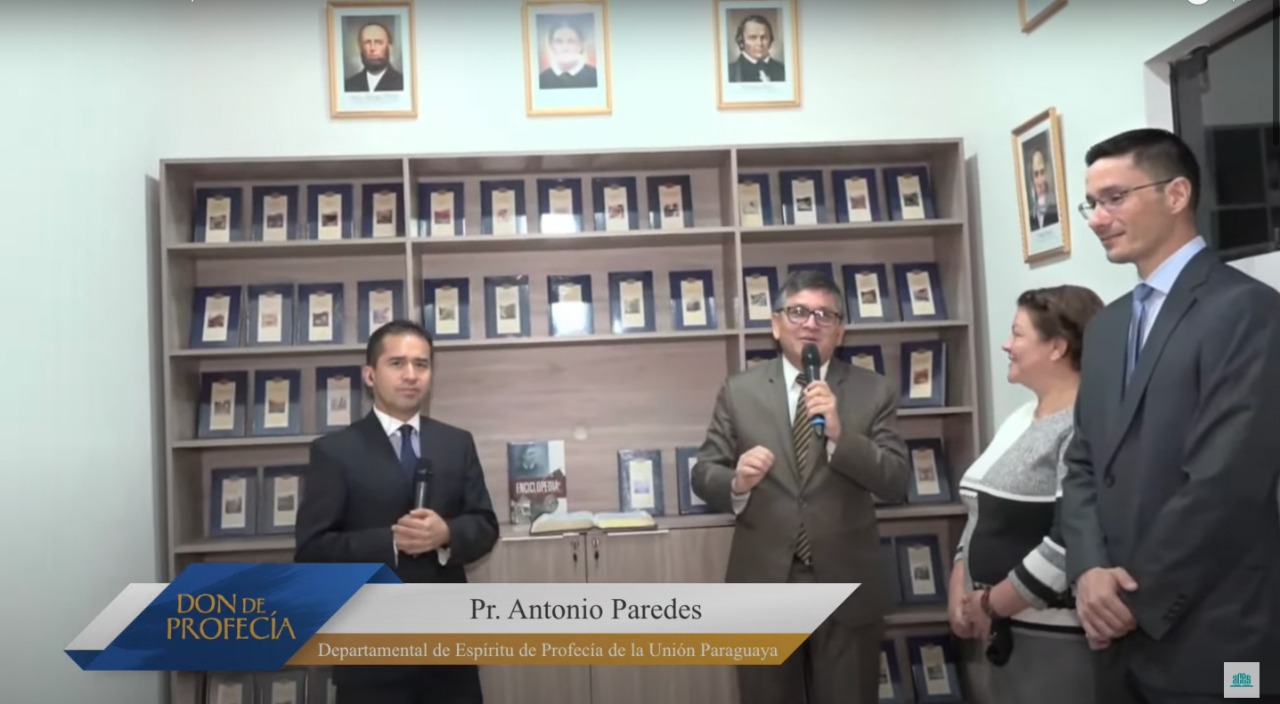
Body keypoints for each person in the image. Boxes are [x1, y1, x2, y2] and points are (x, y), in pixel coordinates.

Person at [1059, 128, 1280, 702]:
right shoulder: (1106, 328)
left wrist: (1133, 599)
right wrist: (1089, 571)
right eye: (1091, 203)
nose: (1097, 218)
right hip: (1113, 635)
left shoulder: (1248, 311)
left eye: (1114, 198)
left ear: (1176, 194)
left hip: (1217, 635)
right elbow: (1082, 463)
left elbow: (1227, 482)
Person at [690, 269, 910, 704]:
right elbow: (703, 473)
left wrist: (840, 435)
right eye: (798, 312)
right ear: (776, 324)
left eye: (825, 315)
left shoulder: (874, 391)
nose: (811, 323)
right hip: (764, 582)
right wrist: (736, 482)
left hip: (846, 586)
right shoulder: (739, 391)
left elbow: (895, 481)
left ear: (841, 331)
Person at [295, 319, 499, 704]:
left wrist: (446, 534)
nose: (411, 375)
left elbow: (485, 525)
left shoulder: (456, 443)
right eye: (397, 363)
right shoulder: (335, 451)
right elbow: (311, 550)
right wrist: (390, 542)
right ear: (370, 375)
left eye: (421, 364)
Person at [948, 285, 1104, 704]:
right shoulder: (1020, 418)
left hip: (1052, 637)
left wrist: (991, 603)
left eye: (1017, 334)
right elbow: (979, 509)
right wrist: (959, 584)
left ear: (1057, 347)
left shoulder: (1082, 425)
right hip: (1002, 631)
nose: (1006, 344)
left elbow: (1069, 540)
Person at [344, 22, 405, 92]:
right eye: (367, 42)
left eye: (378, 42)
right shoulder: (349, 85)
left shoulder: (402, 83)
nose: (372, 48)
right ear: (360, 47)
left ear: (390, 47)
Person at [727, 14, 786, 83]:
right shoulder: (729, 72)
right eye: (753, 38)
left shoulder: (783, 70)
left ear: (771, 40)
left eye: (764, 37)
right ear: (741, 41)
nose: (760, 43)